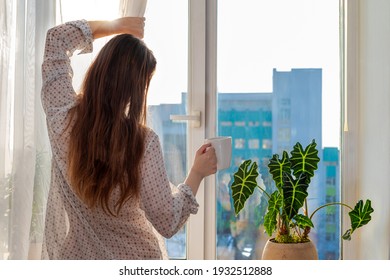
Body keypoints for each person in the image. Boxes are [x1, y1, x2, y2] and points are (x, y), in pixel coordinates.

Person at [41, 17, 217, 259]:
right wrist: (197, 172)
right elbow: (167, 222)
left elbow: (57, 38)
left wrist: (117, 26)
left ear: (100, 68)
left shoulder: (62, 117)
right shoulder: (142, 144)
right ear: (136, 89)